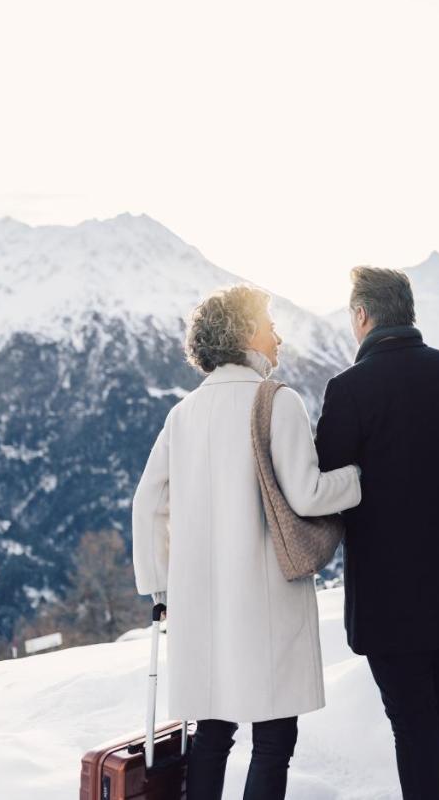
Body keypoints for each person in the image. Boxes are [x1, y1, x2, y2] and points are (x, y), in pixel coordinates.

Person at [132, 285, 362, 800]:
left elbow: (148, 504)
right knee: (274, 737)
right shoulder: (277, 401)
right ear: (244, 334)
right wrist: (361, 477)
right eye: (269, 324)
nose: (278, 336)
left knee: (212, 734)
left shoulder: (182, 414)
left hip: (199, 603)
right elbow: (307, 494)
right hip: (265, 599)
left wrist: (161, 588)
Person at [315, 266, 439, 800]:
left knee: (412, 722)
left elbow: (326, 486)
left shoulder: (348, 389)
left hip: (389, 597)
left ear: (362, 315)